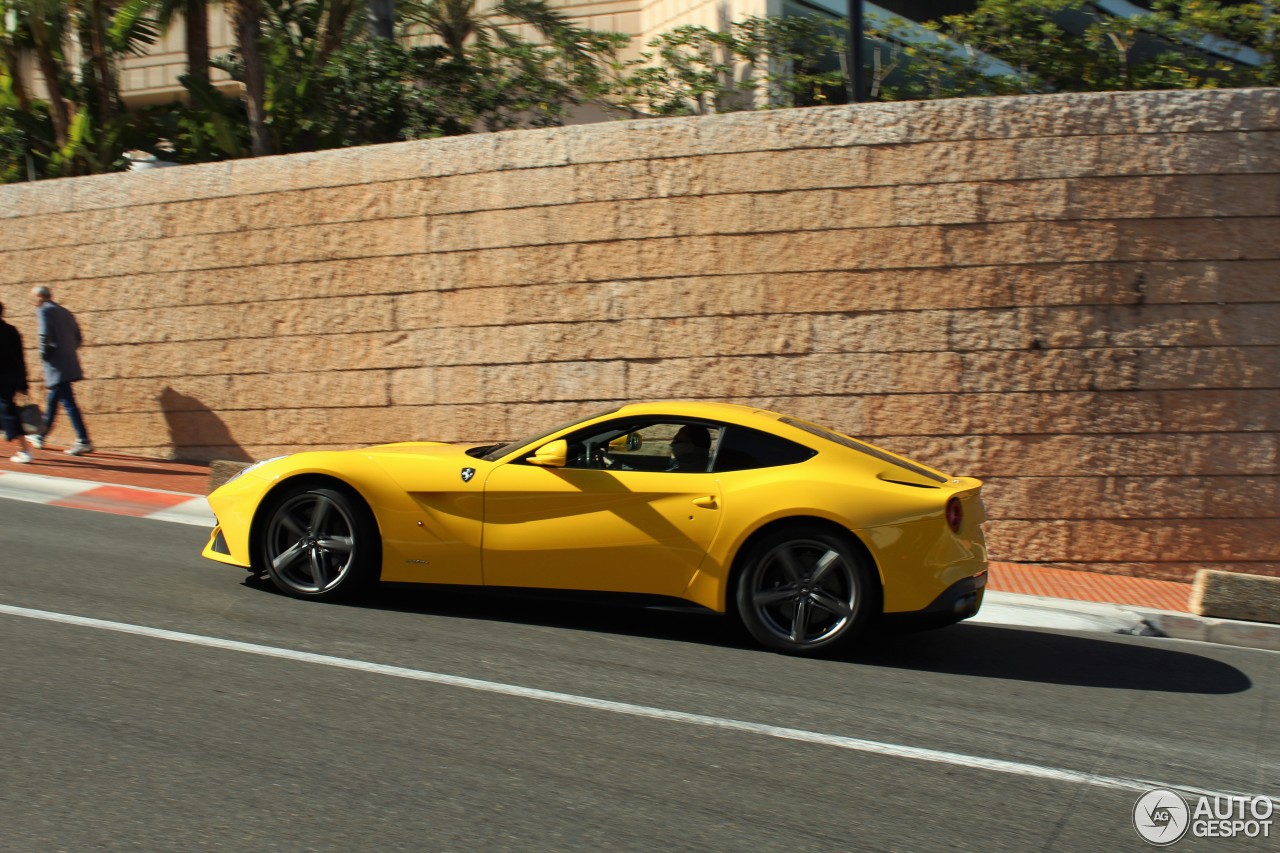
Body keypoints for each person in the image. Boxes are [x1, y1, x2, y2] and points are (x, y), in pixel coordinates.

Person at [29, 286, 92, 456]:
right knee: (54, 400)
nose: (33, 302)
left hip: (56, 365)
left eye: (34, 298)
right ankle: (41, 435)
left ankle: (83, 439)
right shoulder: (65, 312)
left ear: (40, 297)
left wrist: (44, 356)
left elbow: (44, 336)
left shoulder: (44, 311)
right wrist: (68, 351)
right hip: (68, 362)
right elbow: (78, 338)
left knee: (68, 403)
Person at [0, 301, 35, 463]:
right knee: (8, 411)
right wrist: (23, 382)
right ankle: (24, 449)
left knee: (9, 413)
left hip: (2, 380)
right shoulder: (12, 331)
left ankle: (24, 450)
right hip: (12, 379)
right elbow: (21, 358)